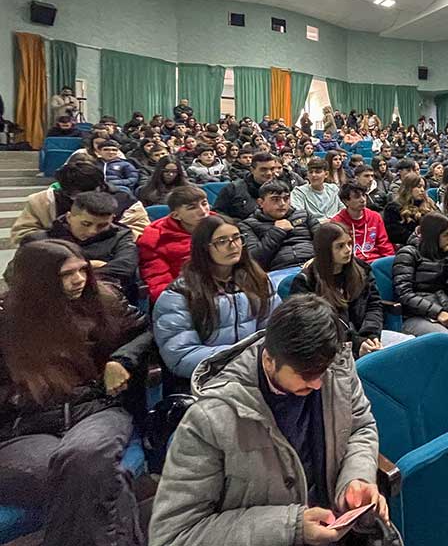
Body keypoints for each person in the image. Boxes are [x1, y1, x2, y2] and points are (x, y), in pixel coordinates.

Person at [149, 293, 385, 546]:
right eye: (305, 375)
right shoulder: (211, 418)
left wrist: (356, 479)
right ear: (269, 361)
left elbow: (360, 428)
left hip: (334, 529)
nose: (317, 384)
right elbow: (174, 535)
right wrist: (289, 527)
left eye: (321, 372)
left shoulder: (334, 367)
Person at [0, 240, 149, 545]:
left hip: (95, 409)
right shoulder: (6, 321)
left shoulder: (103, 301)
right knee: (91, 476)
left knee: (86, 457)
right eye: (67, 274)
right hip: (26, 424)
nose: (80, 279)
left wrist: (122, 359)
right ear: (38, 278)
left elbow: (145, 332)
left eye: (82, 269)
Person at [153, 215, 280, 381]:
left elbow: (275, 330)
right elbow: (180, 356)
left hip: (258, 372)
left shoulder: (258, 279)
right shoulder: (179, 294)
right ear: (204, 248)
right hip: (208, 379)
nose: (233, 246)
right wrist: (244, 359)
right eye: (222, 241)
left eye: (237, 238)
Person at [291, 223, 411, 357]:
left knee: (410, 344)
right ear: (324, 249)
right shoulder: (305, 281)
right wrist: (356, 343)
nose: (348, 249)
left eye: (349, 243)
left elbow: (374, 304)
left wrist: (371, 334)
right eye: (340, 246)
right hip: (330, 345)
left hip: (366, 335)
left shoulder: (361, 269)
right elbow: (316, 326)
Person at [19, 191, 139, 303]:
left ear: (112, 219)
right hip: (48, 301)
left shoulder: (122, 235)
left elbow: (126, 267)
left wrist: (63, 273)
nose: (92, 231)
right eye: (85, 224)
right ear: (69, 217)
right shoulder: (39, 240)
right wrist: (90, 266)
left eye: (102, 225)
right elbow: (16, 273)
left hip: (104, 301)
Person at [11, 158, 149, 246]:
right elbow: (22, 234)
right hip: (58, 255)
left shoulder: (126, 202)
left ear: (101, 186)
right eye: (75, 196)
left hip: (110, 255)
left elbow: (142, 234)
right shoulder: (43, 201)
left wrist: (108, 233)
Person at [393, 212, 448, 336]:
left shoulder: (444, 252)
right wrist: (437, 312)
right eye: (446, 235)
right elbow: (404, 294)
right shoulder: (407, 254)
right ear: (433, 235)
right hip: (415, 316)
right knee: (444, 339)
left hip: (445, 308)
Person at [138, 186, 211, 303]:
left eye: (204, 203)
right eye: (192, 208)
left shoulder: (221, 225)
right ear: (175, 215)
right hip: (187, 296)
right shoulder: (156, 238)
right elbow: (159, 283)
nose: (203, 211)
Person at [238, 180, 320, 271]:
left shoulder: (305, 215)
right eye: (275, 199)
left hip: (313, 264)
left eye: (286, 198)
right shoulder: (247, 225)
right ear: (261, 203)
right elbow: (254, 259)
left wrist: (317, 259)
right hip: (279, 270)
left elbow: (325, 242)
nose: (282, 203)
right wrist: (277, 231)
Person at [332, 182, 394, 264]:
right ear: (346, 201)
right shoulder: (336, 222)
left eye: (364, 195)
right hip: (351, 263)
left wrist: (391, 262)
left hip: (375, 262)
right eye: (357, 197)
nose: (363, 200)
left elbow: (384, 243)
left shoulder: (375, 216)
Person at [214, 151, 283, 221]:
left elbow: (291, 212)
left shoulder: (282, 188)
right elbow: (217, 213)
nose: (269, 173)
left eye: (272, 169)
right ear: (252, 170)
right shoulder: (232, 189)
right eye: (263, 169)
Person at [383, 172, 438, 246]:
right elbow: (395, 235)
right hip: (408, 247)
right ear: (408, 188)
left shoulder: (429, 204)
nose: (422, 190)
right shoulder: (393, 208)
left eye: (423, 187)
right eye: (418, 187)